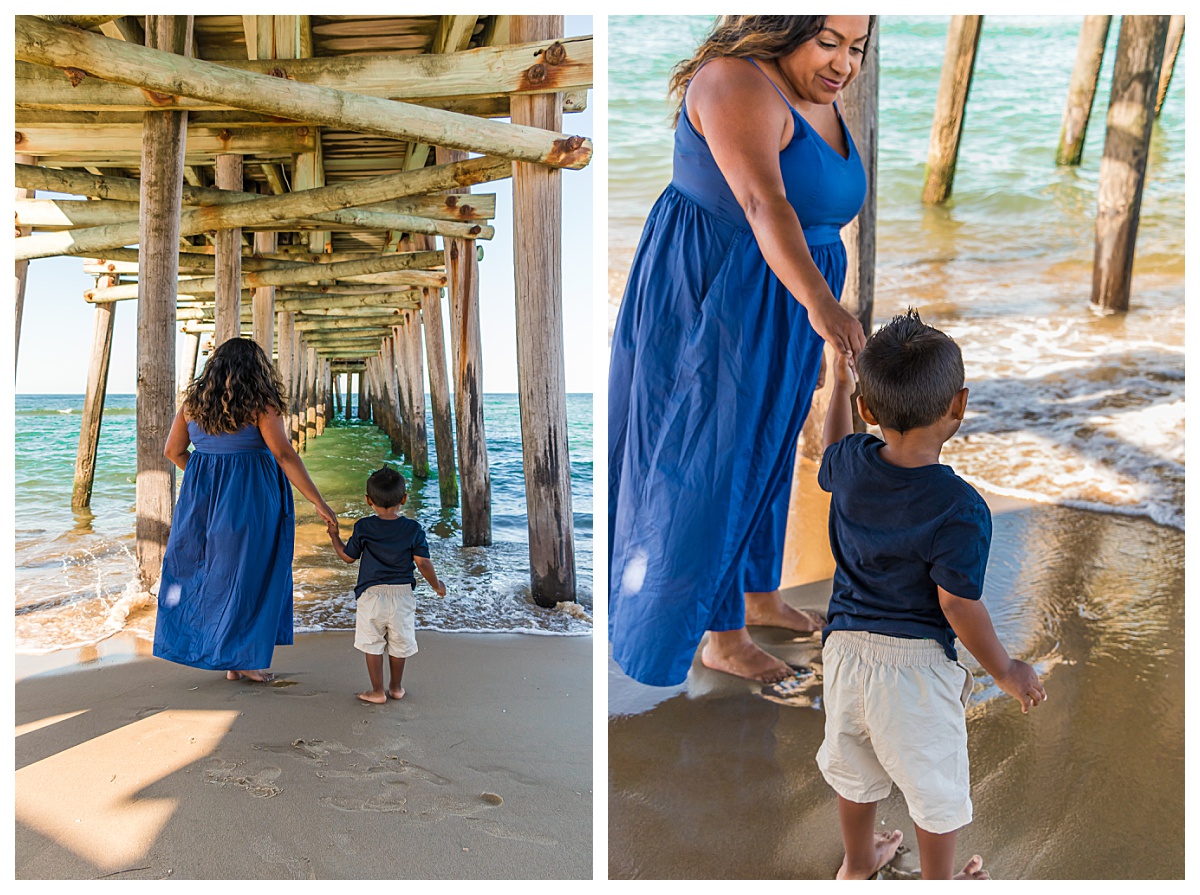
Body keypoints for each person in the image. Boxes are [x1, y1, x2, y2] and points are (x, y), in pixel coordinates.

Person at [609, 15, 873, 686]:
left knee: (770, 446)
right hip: (717, 295)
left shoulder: (820, 93)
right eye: (828, 42)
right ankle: (719, 635)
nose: (843, 63)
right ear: (785, 23)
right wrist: (820, 303)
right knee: (714, 458)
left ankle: (756, 593)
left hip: (782, 290)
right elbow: (762, 201)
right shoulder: (733, 81)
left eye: (857, 47)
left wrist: (807, 312)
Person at [816, 310, 1047, 880]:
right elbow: (957, 604)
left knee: (856, 768)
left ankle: (855, 863)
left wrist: (839, 385)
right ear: (958, 406)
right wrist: (1006, 668)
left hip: (844, 652)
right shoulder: (960, 507)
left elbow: (833, 449)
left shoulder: (849, 464)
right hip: (913, 672)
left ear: (869, 411)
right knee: (935, 787)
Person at [154, 337, 337, 683]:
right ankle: (245, 661)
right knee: (250, 577)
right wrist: (318, 501)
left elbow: (173, 451)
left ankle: (228, 658)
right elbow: (284, 455)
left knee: (209, 574)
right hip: (252, 501)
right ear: (257, 371)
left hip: (202, 503)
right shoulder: (261, 405)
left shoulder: (193, 405)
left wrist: (207, 477)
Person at [326, 466, 447, 704]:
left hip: (371, 595)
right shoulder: (413, 529)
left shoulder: (364, 526)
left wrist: (334, 535)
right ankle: (396, 687)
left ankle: (377, 691)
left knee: (372, 643)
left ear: (368, 500)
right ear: (404, 498)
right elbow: (423, 563)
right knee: (399, 642)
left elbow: (348, 557)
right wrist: (436, 585)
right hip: (402, 594)